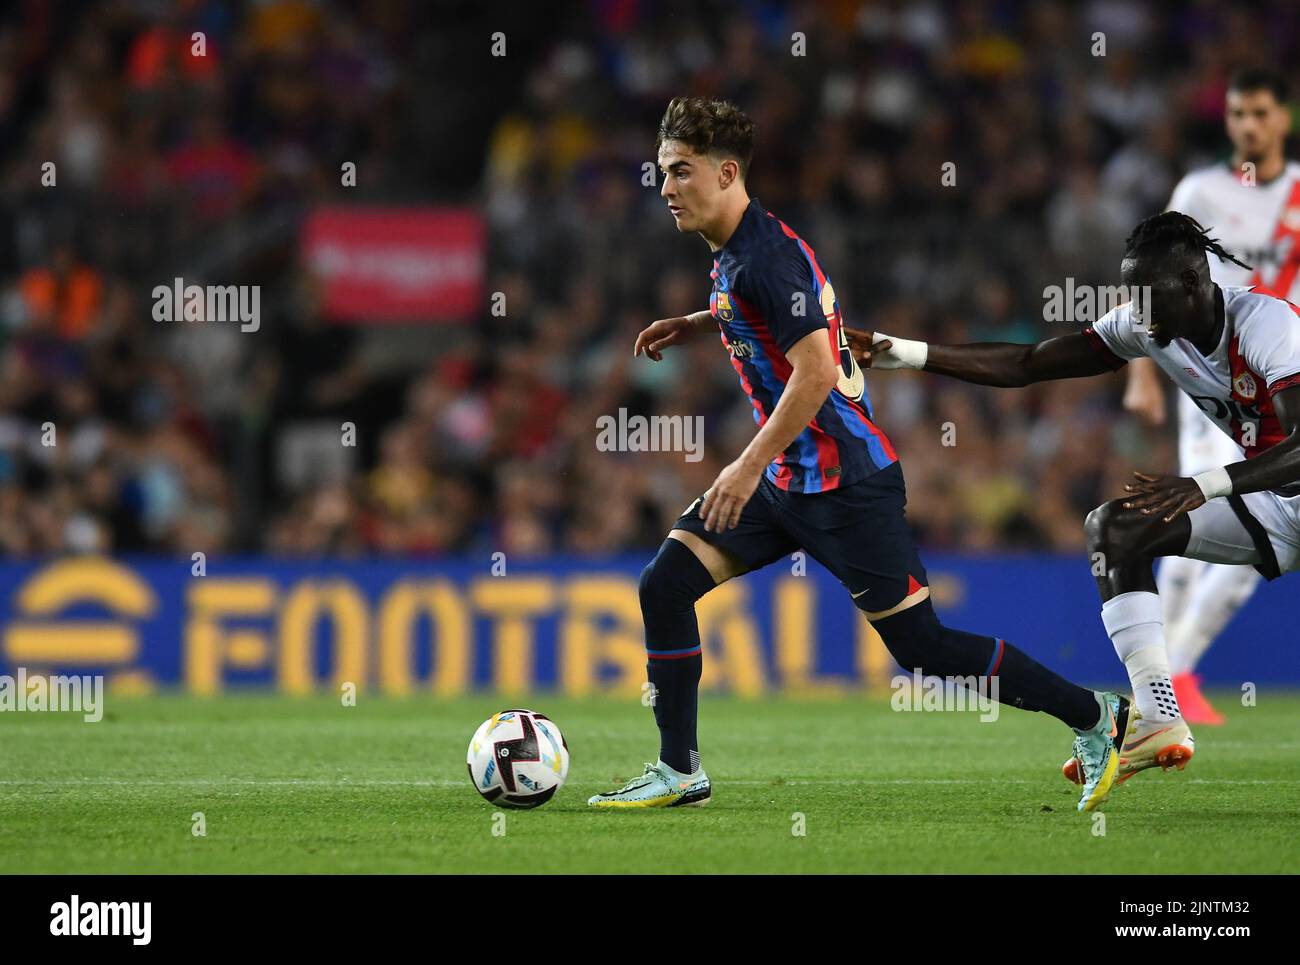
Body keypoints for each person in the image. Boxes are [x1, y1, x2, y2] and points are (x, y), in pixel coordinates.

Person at [587, 96, 1129, 814]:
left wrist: (743, 464)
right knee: (664, 585)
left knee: (923, 648)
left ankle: (1095, 715)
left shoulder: (765, 257)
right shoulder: (739, 252)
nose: (665, 189)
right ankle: (679, 767)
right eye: (660, 173)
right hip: (789, 482)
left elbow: (814, 370)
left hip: (846, 483)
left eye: (679, 172)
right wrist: (698, 321)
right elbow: (780, 318)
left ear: (725, 173)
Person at [849, 210, 1300, 786]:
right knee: (1115, 529)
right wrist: (903, 353)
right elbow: (1028, 363)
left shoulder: (1266, 325)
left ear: (1193, 283)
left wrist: (1203, 484)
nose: (1137, 311)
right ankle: (1159, 717)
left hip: (1269, 482)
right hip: (1274, 501)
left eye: (1148, 295)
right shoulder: (1147, 326)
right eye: (1130, 295)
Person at [1121, 67, 1298, 724]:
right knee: (1188, 522)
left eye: (1259, 113)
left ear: (1282, 119)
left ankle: (1174, 672)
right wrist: (1143, 373)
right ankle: (1170, 679)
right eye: (1236, 115)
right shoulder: (1200, 189)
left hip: (1285, 376)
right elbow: (1150, 274)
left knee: (1253, 527)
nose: (1247, 126)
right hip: (1216, 378)